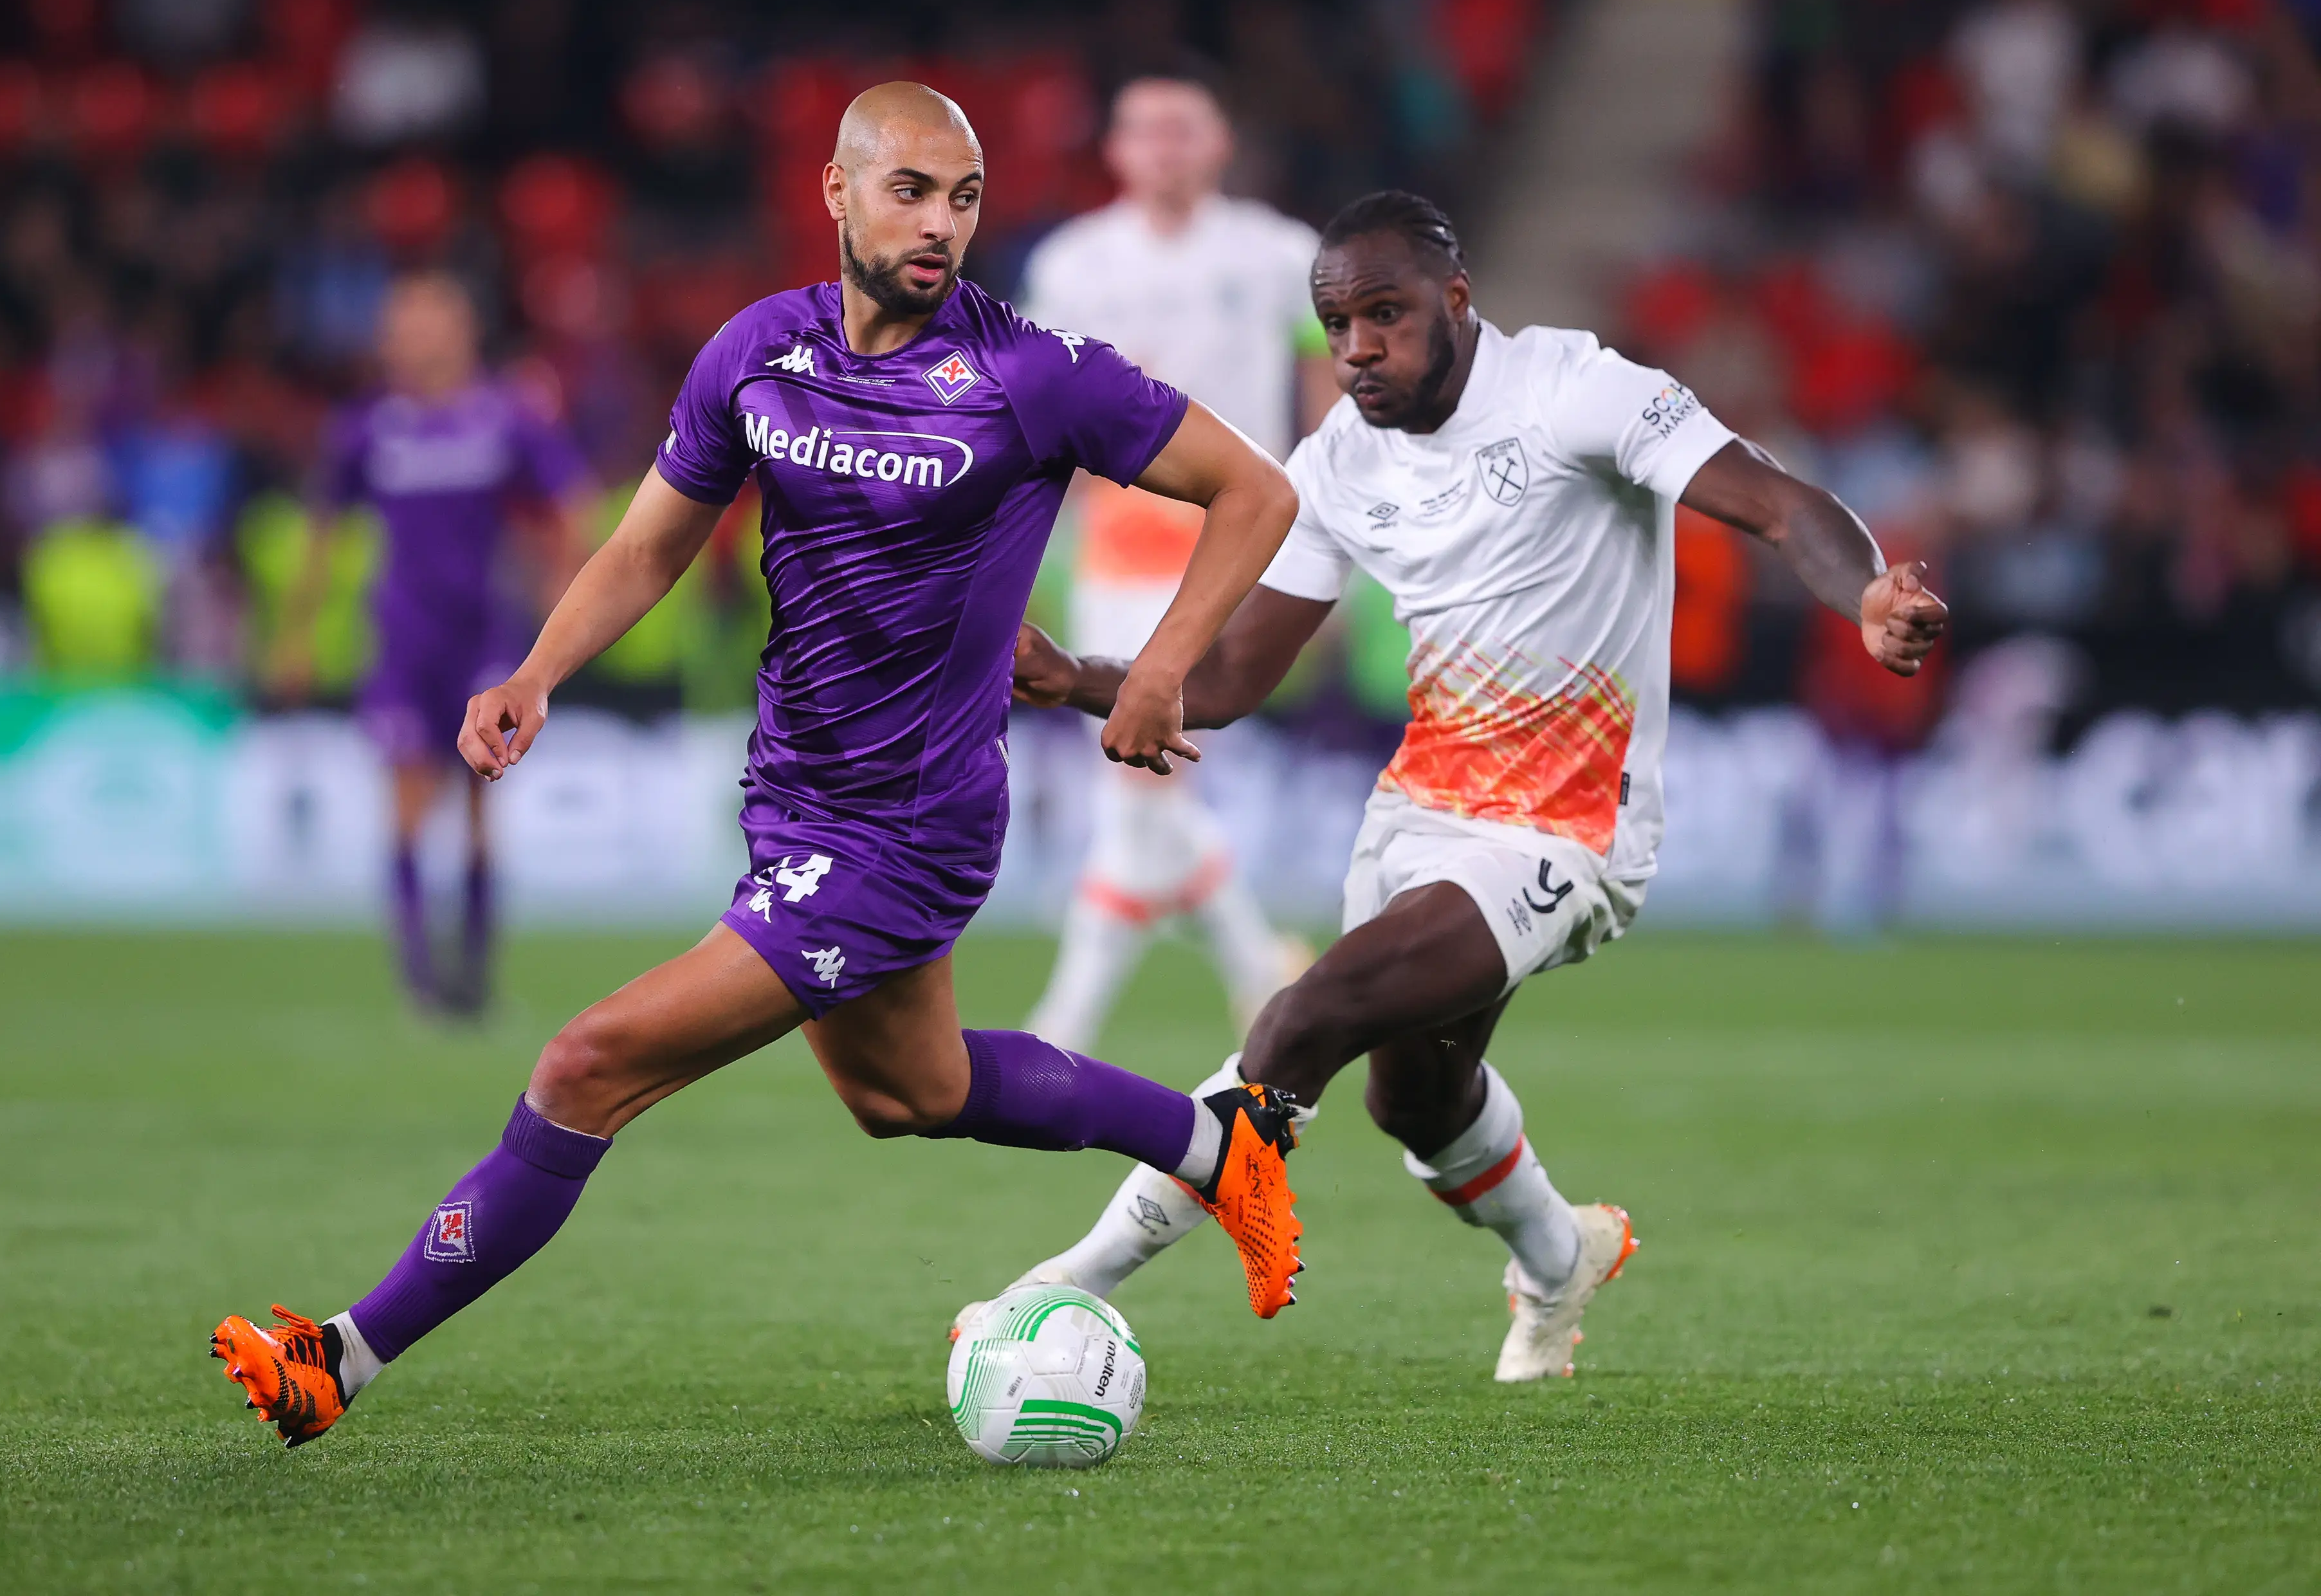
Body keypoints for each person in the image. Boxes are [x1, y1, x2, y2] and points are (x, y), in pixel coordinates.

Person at [208, 83, 1308, 1450]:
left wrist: (1153, 669)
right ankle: (1220, 1141)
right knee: (913, 1091)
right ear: (837, 193)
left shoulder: (1036, 373)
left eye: (965, 198)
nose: (942, 224)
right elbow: (647, 546)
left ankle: (339, 1356)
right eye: (911, 189)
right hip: (792, 792)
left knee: (585, 1062)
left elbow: (1257, 489)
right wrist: (538, 670)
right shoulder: (756, 351)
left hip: (909, 825)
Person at [957, 191, 1947, 1380]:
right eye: (1339, 325)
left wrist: (1872, 593)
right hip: (1419, 814)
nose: (1362, 347)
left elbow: (1780, 503)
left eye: (1388, 315)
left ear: (1459, 302)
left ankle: (1067, 1283)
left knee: (1305, 1015)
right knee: (1418, 1102)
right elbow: (1225, 678)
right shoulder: (1333, 465)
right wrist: (1074, 676)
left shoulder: (1578, 392)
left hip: (1570, 831)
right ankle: (1557, 1255)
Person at [1020, 75, 1338, 1049]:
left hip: (1230, 542)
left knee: (1144, 771)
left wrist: (1329, 529)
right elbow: (1042, 411)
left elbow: (1322, 384)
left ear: (1221, 142)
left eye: (1183, 128)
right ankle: (1261, 969)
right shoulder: (1072, 264)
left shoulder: (1282, 254)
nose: (1163, 146)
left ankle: (1065, 1027)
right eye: (1144, 130)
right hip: (1113, 543)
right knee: (1147, 774)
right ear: (1115, 150)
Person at [275, 272, 595, 1017]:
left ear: (462, 331)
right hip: (403, 639)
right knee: (409, 801)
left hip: (486, 634)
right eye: (401, 323)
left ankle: (475, 969)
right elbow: (324, 530)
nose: (409, 337)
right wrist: (295, 634)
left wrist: (561, 584)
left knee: (485, 797)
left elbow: (569, 502)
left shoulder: (504, 417)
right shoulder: (368, 426)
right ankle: (421, 972)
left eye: (426, 321)